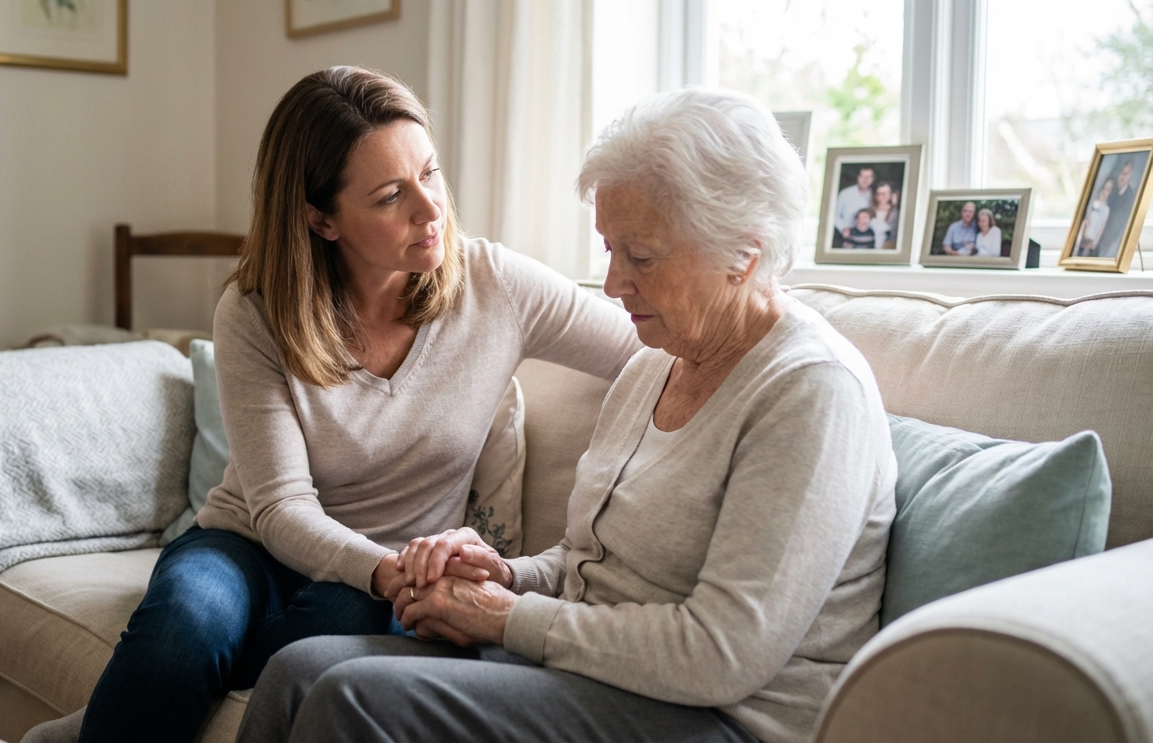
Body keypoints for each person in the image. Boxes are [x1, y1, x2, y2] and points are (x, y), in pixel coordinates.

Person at [237, 87, 897, 743]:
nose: (612, 285)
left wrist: (503, 616)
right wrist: (501, 576)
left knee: (355, 697)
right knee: (297, 671)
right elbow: (590, 567)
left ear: (743, 254)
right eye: (609, 250)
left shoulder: (811, 393)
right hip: (598, 674)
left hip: (722, 717)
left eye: (639, 256)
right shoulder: (654, 364)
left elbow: (720, 656)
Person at [59, 67, 641, 743]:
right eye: (392, 195)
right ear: (320, 219)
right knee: (182, 626)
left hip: (373, 580)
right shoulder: (257, 312)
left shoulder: (497, 287)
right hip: (247, 548)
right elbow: (280, 509)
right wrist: (385, 569)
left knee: (328, 631)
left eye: (431, 174)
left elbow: (646, 349)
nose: (430, 211)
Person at [1098, 158, 1142, 259]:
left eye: (1127, 174)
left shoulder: (1130, 197)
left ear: (1130, 176)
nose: (1123, 176)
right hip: (1101, 236)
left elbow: (1118, 225)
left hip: (1111, 240)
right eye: (1122, 172)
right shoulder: (1113, 191)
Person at [1077, 178, 1115, 257]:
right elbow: (1087, 219)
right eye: (1104, 188)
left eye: (1108, 190)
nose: (1105, 192)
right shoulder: (1093, 203)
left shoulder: (1106, 209)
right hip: (1085, 236)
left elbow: (1101, 227)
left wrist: (1095, 242)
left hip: (1092, 240)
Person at [834, 165, 875, 234]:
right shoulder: (845, 193)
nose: (865, 179)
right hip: (845, 233)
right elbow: (834, 215)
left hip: (867, 235)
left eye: (868, 177)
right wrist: (843, 228)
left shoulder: (875, 195)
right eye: (862, 176)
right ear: (858, 177)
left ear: (872, 179)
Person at [868, 182, 898, 249]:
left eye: (885, 193)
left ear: (891, 195)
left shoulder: (896, 212)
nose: (882, 196)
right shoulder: (869, 211)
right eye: (879, 193)